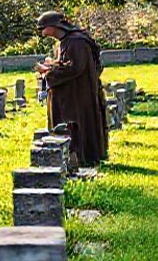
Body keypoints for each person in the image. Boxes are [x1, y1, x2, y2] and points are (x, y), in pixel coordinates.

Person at [34, 11, 108, 166]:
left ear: (54, 27)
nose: (42, 32)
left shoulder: (77, 42)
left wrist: (48, 72)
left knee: (76, 124)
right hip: (70, 93)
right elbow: (67, 64)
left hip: (77, 94)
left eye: (43, 28)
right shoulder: (67, 41)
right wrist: (53, 64)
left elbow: (76, 68)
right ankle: (70, 157)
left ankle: (80, 157)